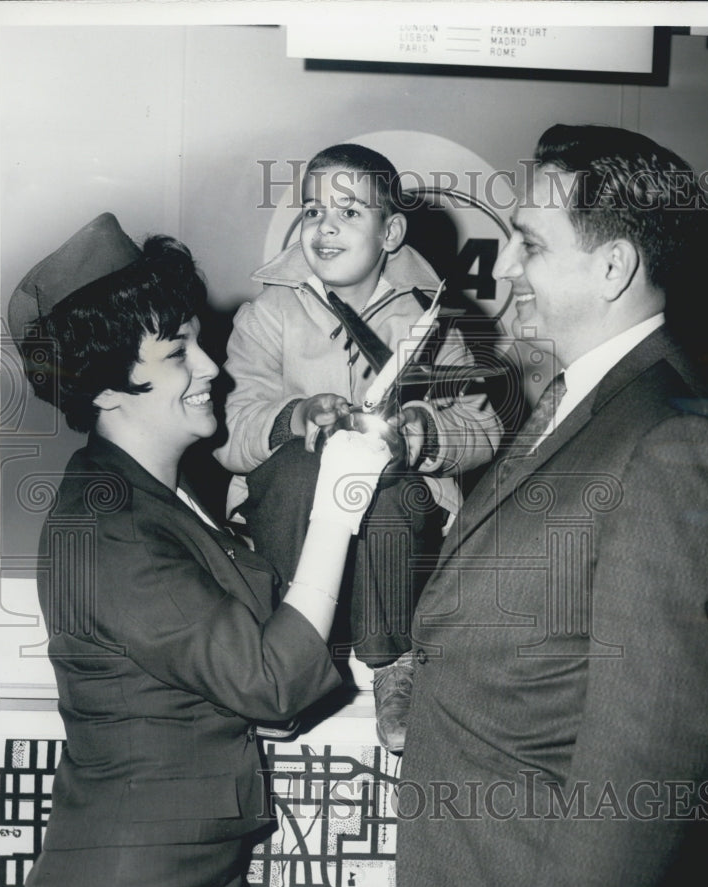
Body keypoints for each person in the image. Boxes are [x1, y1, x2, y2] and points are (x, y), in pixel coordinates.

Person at [395, 125, 708, 887]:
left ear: (615, 268)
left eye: (530, 244)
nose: (505, 268)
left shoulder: (672, 443)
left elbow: (647, 765)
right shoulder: (578, 410)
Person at [7, 213, 390, 887]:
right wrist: (338, 508)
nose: (212, 366)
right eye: (179, 350)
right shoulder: (110, 525)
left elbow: (240, 671)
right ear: (109, 385)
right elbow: (272, 679)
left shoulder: (159, 498)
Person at [214, 143, 502, 752]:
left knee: (390, 484)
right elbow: (230, 428)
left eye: (348, 213)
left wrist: (418, 435)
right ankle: (291, 660)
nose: (325, 227)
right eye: (314, 211)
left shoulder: (434, 323)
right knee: (300, 466)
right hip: (289, 526)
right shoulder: (266, 316)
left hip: (393, 543)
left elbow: (482, 429)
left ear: (391, 231)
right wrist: (294, 418)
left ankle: (392, 662)